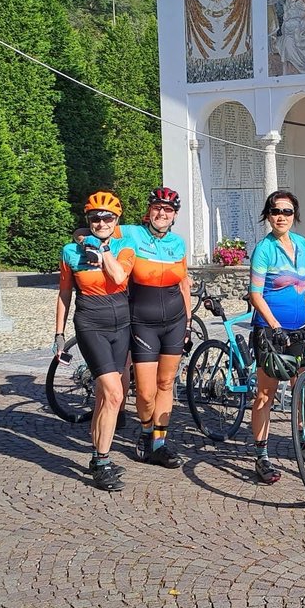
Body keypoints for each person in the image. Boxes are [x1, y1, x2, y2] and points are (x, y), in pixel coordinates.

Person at [248, 189, 305, 485]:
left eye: (287, 212)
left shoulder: (300, 244)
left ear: (294, 216)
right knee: (266, 393)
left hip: (300, 329)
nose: (281, 217)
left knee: (303, 388)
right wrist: (275, 325)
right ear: (268, 215)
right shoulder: (264, 249)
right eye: (276, 211)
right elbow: (254, 294)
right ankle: (261, 456)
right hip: (270, 331)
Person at [53, 191, 135, 492]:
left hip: (121, 324)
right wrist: (59, 334)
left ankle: (100, 453)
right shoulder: (70, 252)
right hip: (90, 322)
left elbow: (118, 278)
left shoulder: (126, 246)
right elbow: (64, 293)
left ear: (116, 220)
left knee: (109, 396)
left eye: (107, 217)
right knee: (113, 394)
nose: (101, 222)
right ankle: (100, 461)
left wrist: (102, 252)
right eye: (95, 218)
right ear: (87, 219)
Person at [121, 187, 192, 468]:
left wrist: (187, 323)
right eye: (157, 208)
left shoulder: (178, 243)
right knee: (145, 392)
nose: (162, 214)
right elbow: (96, 228)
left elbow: (184, 284)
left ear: (174, 216)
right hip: (142, 321)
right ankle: (146, 430)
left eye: (168, 210)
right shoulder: (131, 234)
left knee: (166, 384)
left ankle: (160, 444)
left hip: (174, 322)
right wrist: (82, 239)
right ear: (149, 211)